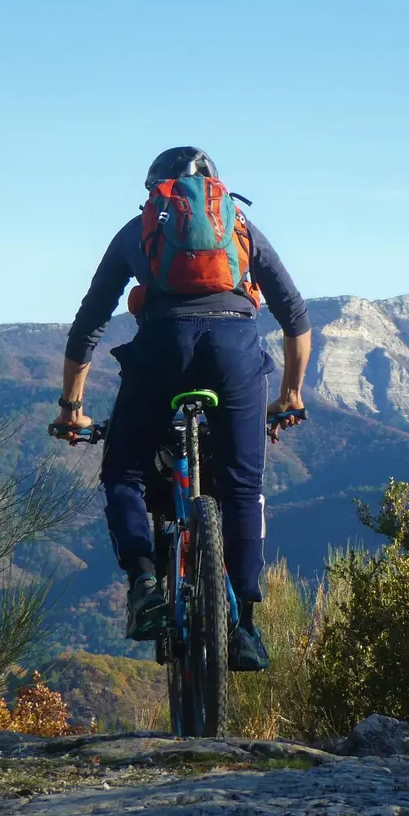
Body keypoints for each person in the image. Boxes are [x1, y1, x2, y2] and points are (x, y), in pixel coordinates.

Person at [51, 147, 311, 672]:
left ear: (156, 192)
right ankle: (243, 627)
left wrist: (72, 408)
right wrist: (291, 394)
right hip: (236, 355)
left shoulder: (137, 231)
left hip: (161, 351)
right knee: (241, 485)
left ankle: (145, 583)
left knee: (124, 469)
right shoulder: (239, 224)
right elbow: (295, 317)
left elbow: (88, 325)